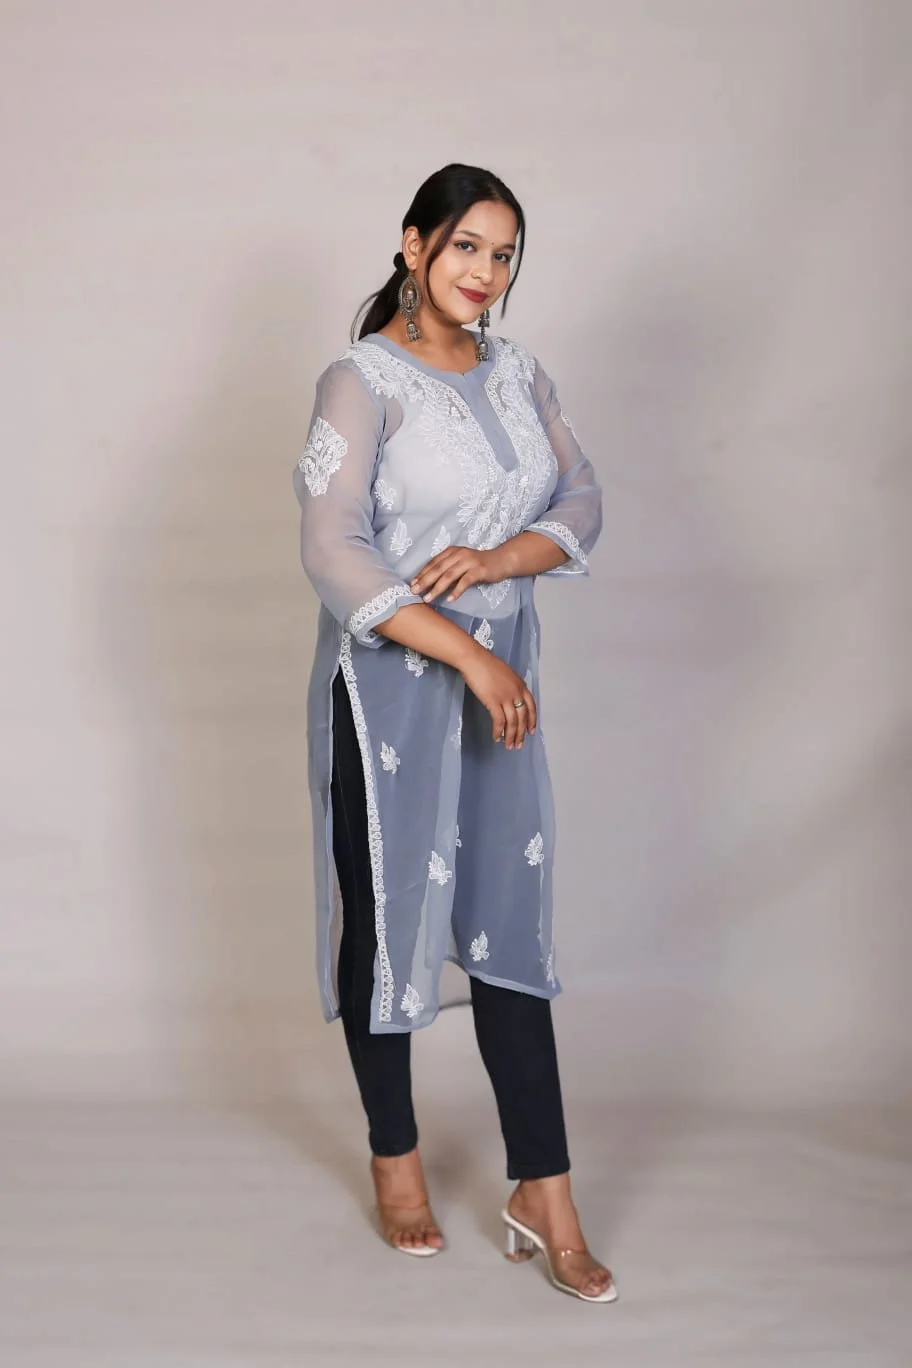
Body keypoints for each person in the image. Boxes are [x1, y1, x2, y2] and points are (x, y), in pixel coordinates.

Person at [292, 163, 615, 1303]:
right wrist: (469, 652)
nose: (486, 271)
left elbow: (581, 499)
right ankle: (395, 1157)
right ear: (414, 244)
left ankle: (546, 1191)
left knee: (509, 918)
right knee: (387, 921)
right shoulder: (361, 381)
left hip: (501, 692)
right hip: (391, 690)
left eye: (505, 252)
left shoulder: (520, 373)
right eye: (467, 245)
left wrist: (497, 560)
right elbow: (333, 549)